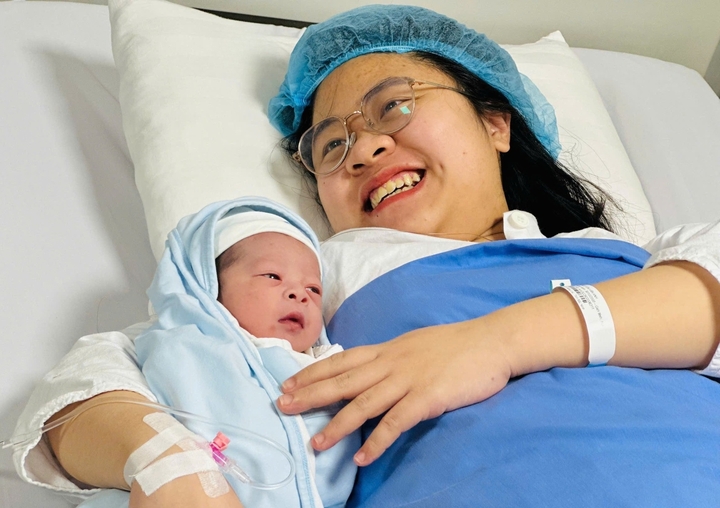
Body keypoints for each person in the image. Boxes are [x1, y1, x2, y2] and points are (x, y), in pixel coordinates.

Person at [12, 4, 720, 508]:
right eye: (332, 144)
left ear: (497, 123)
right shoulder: (324, 277)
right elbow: (88, 391)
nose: (365, 148)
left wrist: (491, 344)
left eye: (394, 106)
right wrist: (165, 463)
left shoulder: (637, 254)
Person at [130, 199, 357, 508]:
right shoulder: (184, 349)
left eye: (314, 289)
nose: (299, 294)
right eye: (272, 276)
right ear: (209, 287)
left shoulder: (327, 365)